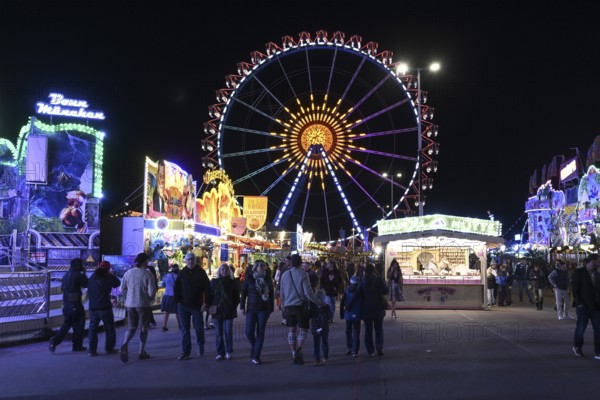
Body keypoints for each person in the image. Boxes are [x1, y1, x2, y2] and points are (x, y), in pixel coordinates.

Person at [279, 253, 321, 365]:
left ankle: (293, 353)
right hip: (300, 307)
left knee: (291, 331)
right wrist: (318, 302)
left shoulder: (284, 275)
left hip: (288, 307)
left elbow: (281, 293)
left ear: (291, 262)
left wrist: (282, 306)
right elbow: (308, 293)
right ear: (300, 262)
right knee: (303, 329)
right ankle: (298, 348)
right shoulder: (303, 274)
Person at [119, 252, 157, 363]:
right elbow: (152, 292)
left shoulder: (128, 273)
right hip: (143, 305)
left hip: (130, 304)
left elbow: (122, 289)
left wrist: (129, 296)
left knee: (131, 327)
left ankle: (125, 343)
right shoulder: (147, 274)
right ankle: (141, 352)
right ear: (144, 262)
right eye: (147, 261)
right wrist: (149, 298)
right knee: (143, 328)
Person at [174, 252, 211, 360]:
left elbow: (207, 288)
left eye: (192, 259)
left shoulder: (201, 272)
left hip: (197, 306)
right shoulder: (182, 273)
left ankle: (200, 345)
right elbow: (177, 288)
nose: (190, 261)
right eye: (188, 259)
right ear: (185, 261)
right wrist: (178, 301)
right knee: (185, 329)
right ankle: (186, 351)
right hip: (183, 305)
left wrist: (206, 302)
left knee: (199, 327)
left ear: (195, 261)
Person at [49, 258, 88, 353]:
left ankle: (54, 341)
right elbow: (86, 283)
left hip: (66, 304)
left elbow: (62, 288)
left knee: (66, 325)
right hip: (75, 305)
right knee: (79, 325)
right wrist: (84, 272)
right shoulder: (78, 275)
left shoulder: (66, 275)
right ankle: (77, 346)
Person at [348, 263, 387, 357]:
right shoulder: (378, 280)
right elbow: (386, 291)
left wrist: (349, 306)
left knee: (368, 331)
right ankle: (379, 347)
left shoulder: (362, 281)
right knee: (378, 329)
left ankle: (370, 351)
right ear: (374, 271)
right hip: (378, 309)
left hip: (366, 310)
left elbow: (357, 295)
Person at [240, 260, 274, 365]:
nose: (263, 267)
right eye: (260, 265)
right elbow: (244, 292)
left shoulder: (268, 278)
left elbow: (271, 294)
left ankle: (256, 356)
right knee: (248, 332)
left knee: (260, 332)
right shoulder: (250, 278)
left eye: (264, 266)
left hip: (264, 309)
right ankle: (255, 348)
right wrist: (242, 306)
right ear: (255, 267)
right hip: (251, 308)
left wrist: (271, 308)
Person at [87, 260, 120, 356]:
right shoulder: (108, 276)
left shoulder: (92, 277)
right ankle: (109, 348)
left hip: (93, 307)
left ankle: (92, 351)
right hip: (104, 306)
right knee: (110, 328)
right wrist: (111, 274)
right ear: (109, 268)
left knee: (92, 329)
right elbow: (117, 283)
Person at [571, 254, 600, 358]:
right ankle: (577, 346)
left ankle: (598, 352)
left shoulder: (597, 274)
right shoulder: (579, 272)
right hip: (583, 305)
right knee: (581, 327)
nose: (599, 263)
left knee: (598, 329)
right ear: (592, 261)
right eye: (598, 261)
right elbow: (575, 289)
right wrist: (579, 304)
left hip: (596, 306)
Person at [210, 263, 240, 360]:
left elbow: (236, 297)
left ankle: (228, 351)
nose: (224, 271)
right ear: (219, 271)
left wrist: (233, 306)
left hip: (229, 310)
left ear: (229, 271)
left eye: (226, 269)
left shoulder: (233, 282)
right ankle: (220, 352)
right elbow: (210, 295)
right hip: (217, 311)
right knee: (218, 333)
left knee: (228, 332)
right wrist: (209, 305)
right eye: (222, 269)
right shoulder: (214, 282)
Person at [340, 275, 362, 357]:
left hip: (348, 314)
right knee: (356, 332)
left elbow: (342, 302)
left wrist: (342, 314)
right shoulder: (359, 291)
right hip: (357, 314)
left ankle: (349, 347)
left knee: (348, 330)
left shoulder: (347, 290)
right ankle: (355, 350)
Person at [310, 288, 331, 366]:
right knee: (325, 342)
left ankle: (317, 359)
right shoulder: (327, 307)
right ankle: (325, 356)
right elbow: (329, 317)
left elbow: (310, 315)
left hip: (316, 327)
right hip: (324, 327)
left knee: (316, 343)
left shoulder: (313, 306)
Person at [161, 264, 180, 331]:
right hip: (176, 296)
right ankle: (180, 325)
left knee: (167, 311)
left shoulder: (167, 276)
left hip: (167, 295)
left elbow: (163, 284)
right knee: (177, 311)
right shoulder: (179, 276)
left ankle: (164, 325)